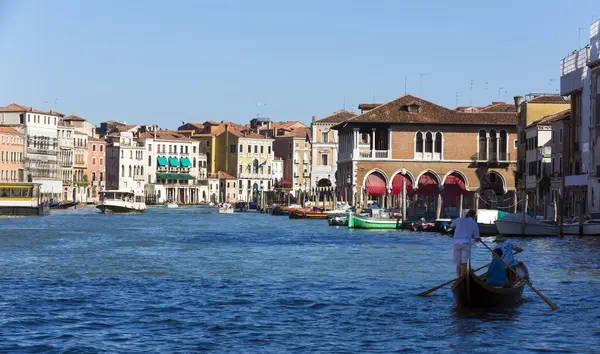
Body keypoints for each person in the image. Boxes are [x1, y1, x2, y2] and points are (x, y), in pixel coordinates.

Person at [450, 209, 481, 277]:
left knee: (458, 263)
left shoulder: (459, 219)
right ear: (474, 216)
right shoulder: (473, 223)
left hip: (456, 243)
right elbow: (476, 238)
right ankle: (464, 277)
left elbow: (451, 225)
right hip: (466, 243)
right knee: (464, 263)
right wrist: (478, 238)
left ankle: (458, 277)